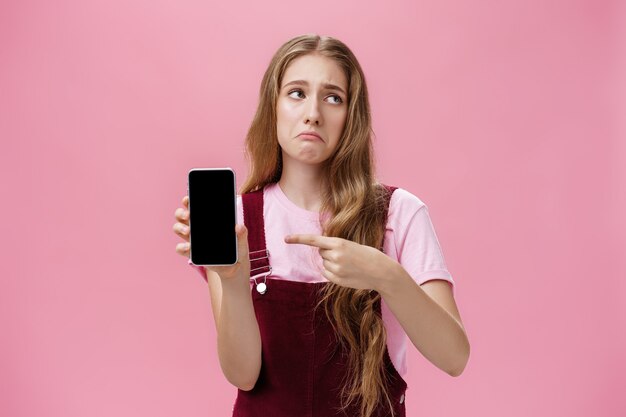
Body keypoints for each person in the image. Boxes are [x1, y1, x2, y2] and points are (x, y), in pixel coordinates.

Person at [173, 33, 469, 417]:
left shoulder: (398, 213)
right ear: (273, 107)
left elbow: (454, 357)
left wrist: (387, 276)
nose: (313, 112)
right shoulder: (237, 222)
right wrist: (231, 279)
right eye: (297, 93)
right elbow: (243, 375)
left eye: (333, 97)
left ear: (352, 116)